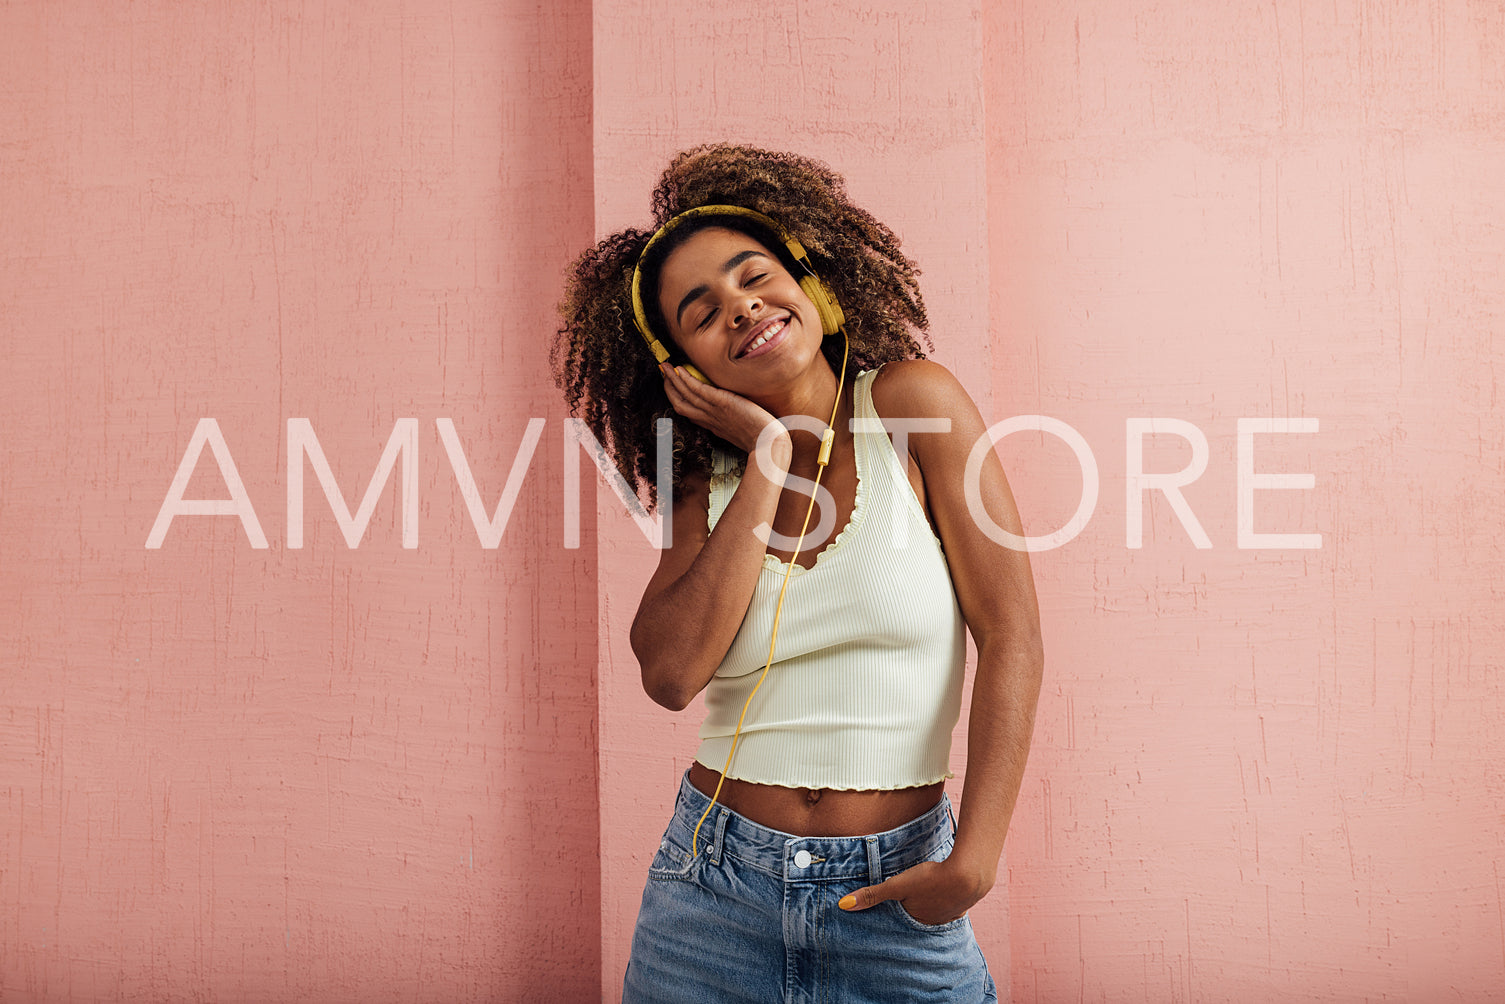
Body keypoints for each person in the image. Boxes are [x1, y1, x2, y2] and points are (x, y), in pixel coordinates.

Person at [552, 143, 1043, 1003]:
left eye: (753, 277)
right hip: (710, 893)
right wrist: (770, 457)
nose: (740, 309)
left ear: (810, 281)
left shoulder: (912, 405)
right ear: (683, 367)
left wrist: (973, 864)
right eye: (702, 313)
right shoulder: (705, 481)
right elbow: (669, 674)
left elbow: (1013, 636)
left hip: (895, 897)